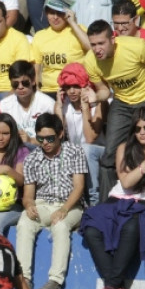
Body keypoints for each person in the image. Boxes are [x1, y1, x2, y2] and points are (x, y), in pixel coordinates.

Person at [82, 106, 145, 289]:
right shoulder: (124, 148)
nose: (142, 132)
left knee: (130, 227)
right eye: (137, 129)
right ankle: (117, 288)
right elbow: (127, 181)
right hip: (119, 197)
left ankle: (110, 287)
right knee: (92, 229)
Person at [83, 19, 145, 201]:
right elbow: (103, 90)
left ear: (113, 40)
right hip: (123, 101)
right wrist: (95, 98)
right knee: (109, 153)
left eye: (101, 43)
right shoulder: (90, 61)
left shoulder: (136, 47)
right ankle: (107, 203)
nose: (97, 49)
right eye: (93, 44)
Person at [15, 112, 88, 289]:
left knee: (60, 225)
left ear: (60, 134)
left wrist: (64, 209)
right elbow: (28, 195)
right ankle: (24, 281)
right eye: (41, 138)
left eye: (50, 138)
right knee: (24, 223)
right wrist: (29, 204)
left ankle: (55, 280)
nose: (45, 142)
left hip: (71, 205)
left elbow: (79, 188)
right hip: (43, 203)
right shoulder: (32, 159)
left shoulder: (74, 152)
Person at [54, 62, 103, 206]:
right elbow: (58, 136)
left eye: (76, 86)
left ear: (85, 87)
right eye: (68, 87)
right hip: (76, 154)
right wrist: (58, 105)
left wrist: (85, 107)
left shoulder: (97, 104)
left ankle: (94, 200)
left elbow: (90, 138)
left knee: (85, 149)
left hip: (97, 152)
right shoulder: (64, 105)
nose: (72, 91)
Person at [30, 0, 89, 97]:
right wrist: (37, 92)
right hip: (49, 90)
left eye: (59, 13)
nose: (55, 17)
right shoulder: (40, 36)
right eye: (52, 13)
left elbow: (91, 48)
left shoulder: (78, 30)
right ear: (46, 13)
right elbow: (36, 69)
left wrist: (73, 24)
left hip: (75, 89)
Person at [0, 59, 55, 147]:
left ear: (33, 81)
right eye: (15, 84)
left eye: (25, 83)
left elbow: (55, 139)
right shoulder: (4, 105)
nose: (20, 87)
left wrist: (31, 140)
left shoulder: (48, 105)